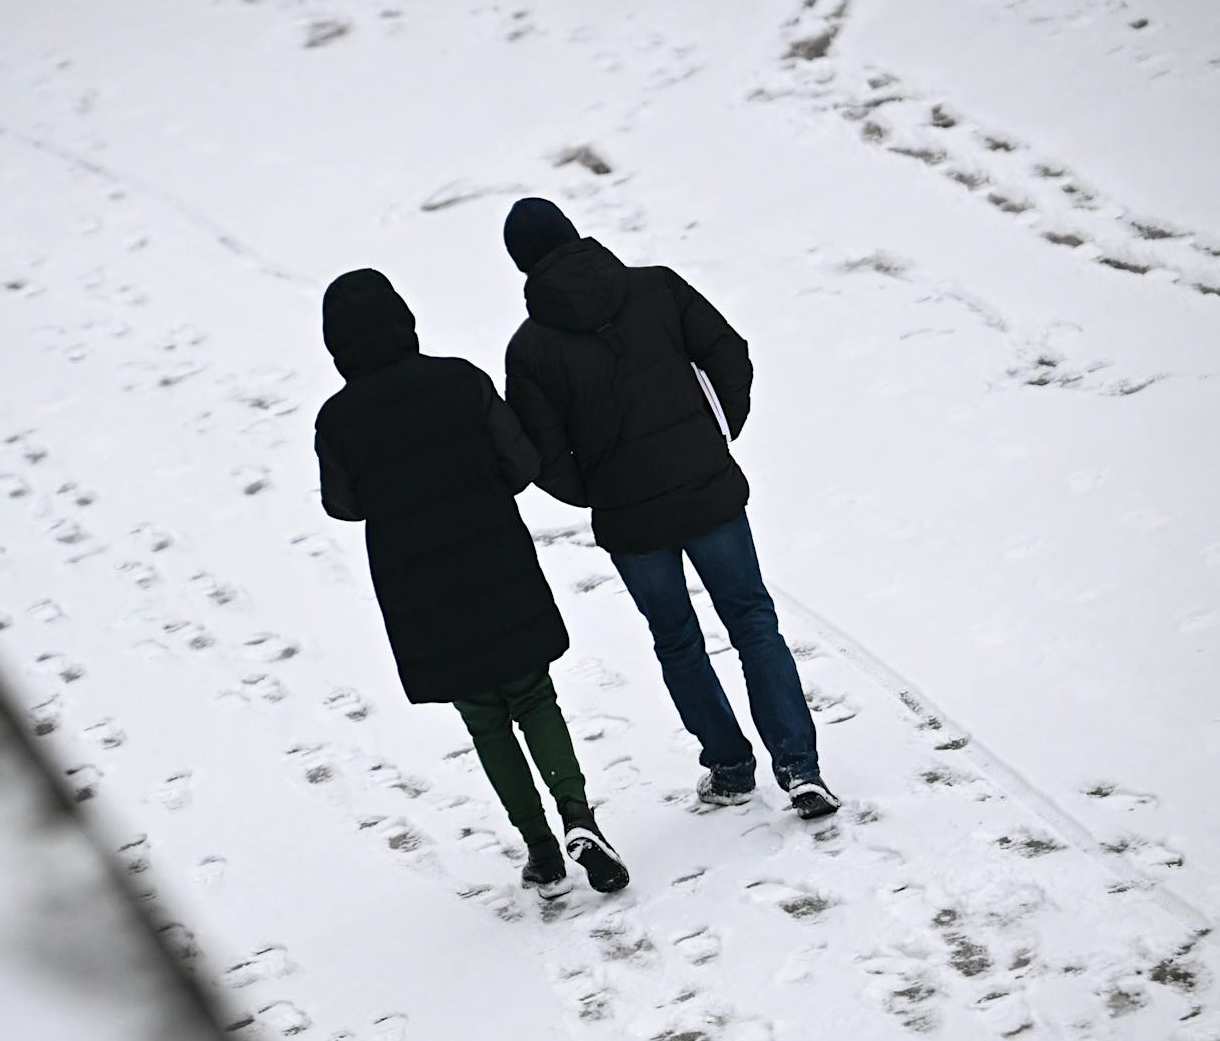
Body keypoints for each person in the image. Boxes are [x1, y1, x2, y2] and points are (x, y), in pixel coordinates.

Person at [499, 198, 841, 820]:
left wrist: (599, 488)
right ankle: (800, 770)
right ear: (575, 235)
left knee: (678, 641)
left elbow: (542, 454)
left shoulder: (530, 349)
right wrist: (715, 436)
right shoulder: (655, 288)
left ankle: (732, 769)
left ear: (520, 264)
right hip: (706, 489)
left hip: (633, 521)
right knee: (753, 623)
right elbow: (729, 352)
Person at [314, 268, 629, 896]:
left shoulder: (338, 419)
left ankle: (541, 851)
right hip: (495, 559)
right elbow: (520, 464)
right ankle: (577, 817)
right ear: (404, 321)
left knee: (483, 716)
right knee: (534, 695)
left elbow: (343, 505)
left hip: (419, 586)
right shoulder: (461, 381)